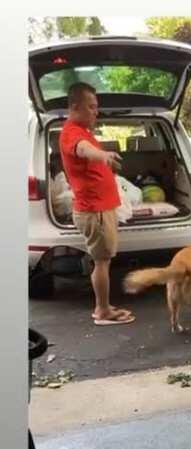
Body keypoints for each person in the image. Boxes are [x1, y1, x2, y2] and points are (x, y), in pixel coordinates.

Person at [60, 82, 135, 325]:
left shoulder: (83, 131)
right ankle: (102, 311)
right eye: (91, 107)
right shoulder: (72, 133)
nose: (96, 112)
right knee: (102, 262)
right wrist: (103, 155)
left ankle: (104, 306)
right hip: (95, 211)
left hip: (100, 209)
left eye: (96, 107)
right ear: (75, 107)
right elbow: (83, 151)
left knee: (104, 259)